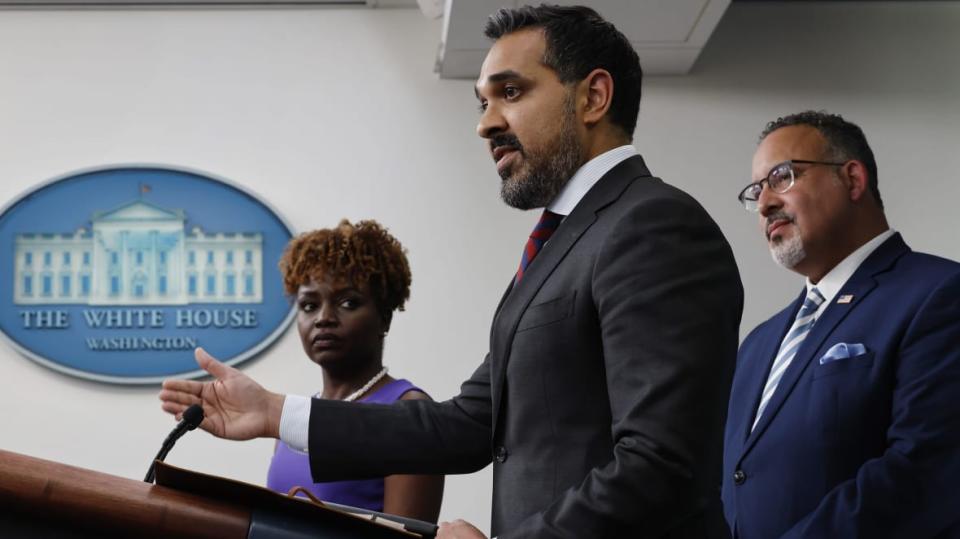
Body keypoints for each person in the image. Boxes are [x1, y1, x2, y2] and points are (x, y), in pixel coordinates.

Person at [161, 5, 743, 538]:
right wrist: (274, 412)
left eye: (510, 93)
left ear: (593, 97)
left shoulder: (654, 225)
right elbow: (466, 427)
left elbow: (662, 463)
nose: (486, 124)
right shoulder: (563, 242)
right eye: (482, 103)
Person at [723, 110, 960, 538]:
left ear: (852, 179)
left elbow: (922, 471)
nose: (764, 203)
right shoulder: (757, 345)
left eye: (782, 177)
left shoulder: (940, 294)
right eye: (756, 190)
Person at [265, 220, 443, 522]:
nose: (323, 318)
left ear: (384, 317)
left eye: (348, 302)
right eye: (309, 305)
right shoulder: (296, 417)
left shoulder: (409, 412)